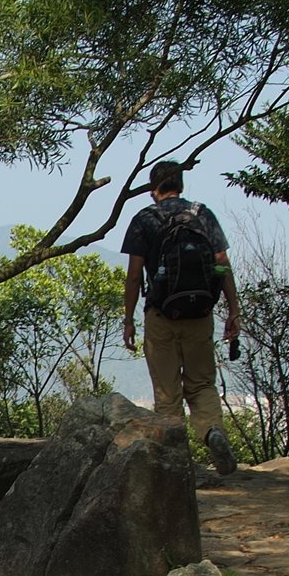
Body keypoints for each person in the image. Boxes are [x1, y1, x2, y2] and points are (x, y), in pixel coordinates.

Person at [120, 160, 242, 475]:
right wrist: (233, 309)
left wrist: (128, 319)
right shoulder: (203, 215)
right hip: (200, 313)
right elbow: (222, 263)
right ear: (181, 185)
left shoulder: (145, 219)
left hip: (161, 314)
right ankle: (212, 431)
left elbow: (134, 276)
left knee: (167, 392)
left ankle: (175, 465)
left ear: (153, 189)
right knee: (201, 384)